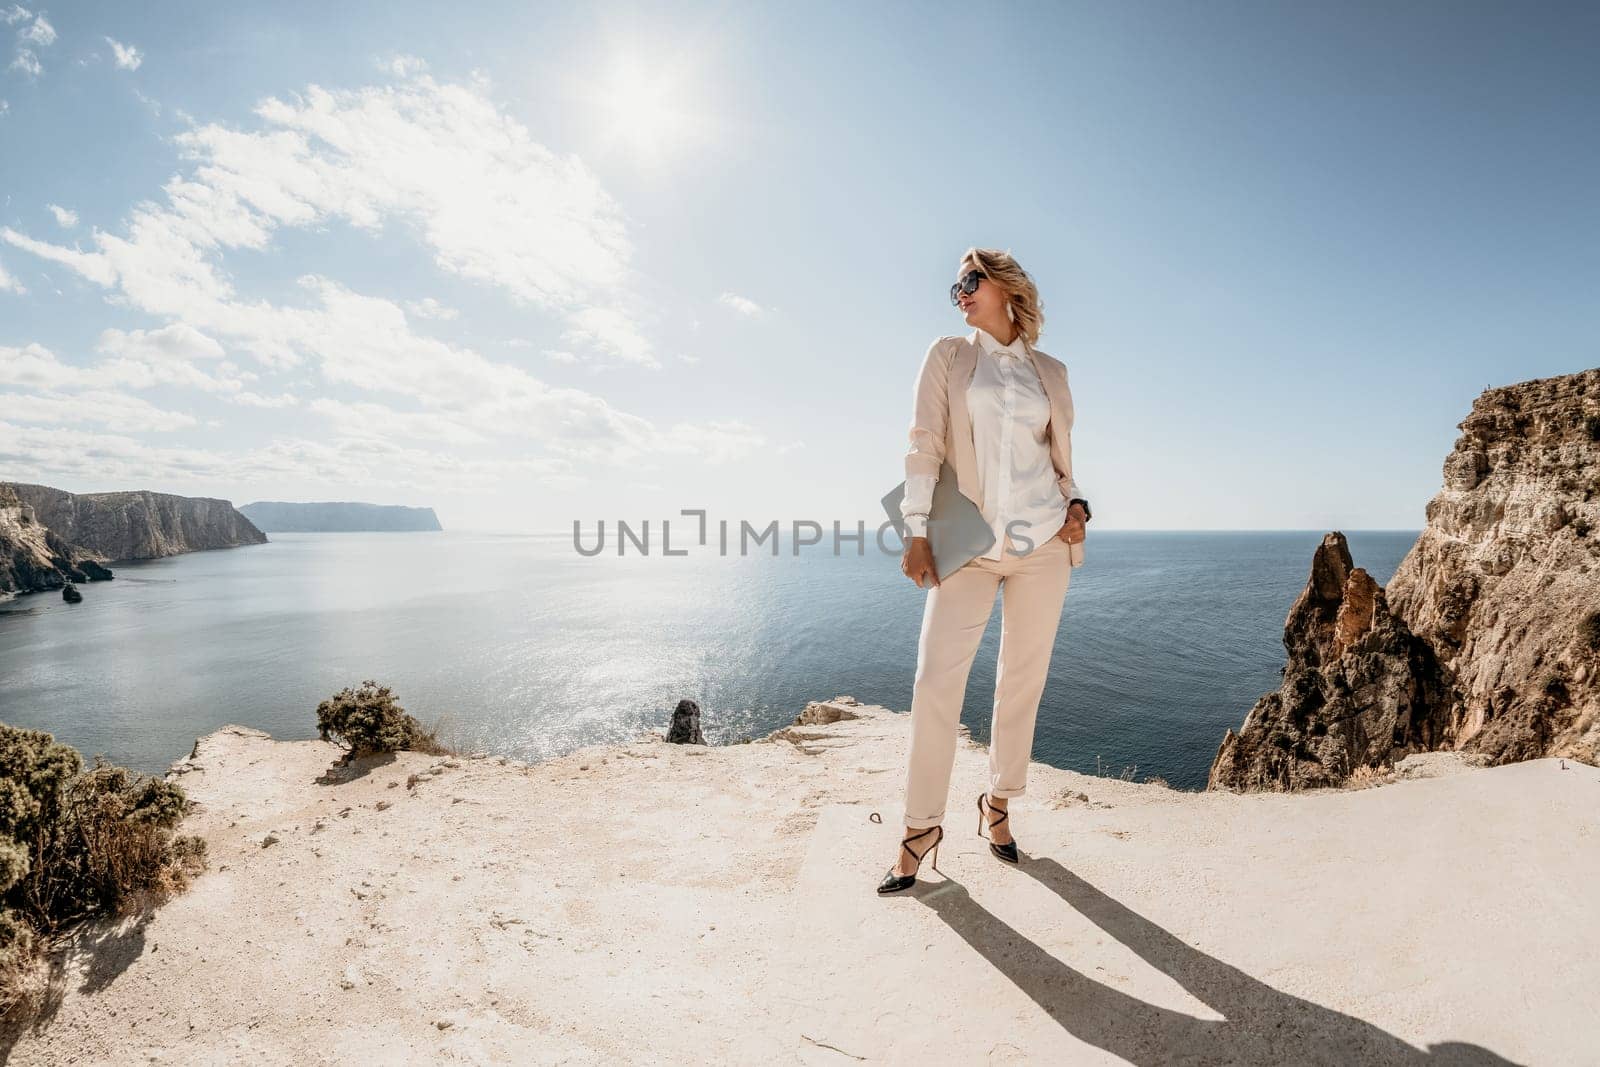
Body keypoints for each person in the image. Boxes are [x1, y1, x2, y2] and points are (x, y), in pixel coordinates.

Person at [877, 247, 1091, 894]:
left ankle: (997, 803)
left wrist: (1077, 503)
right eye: (957, 285)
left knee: (1021, 680)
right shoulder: (948, 355)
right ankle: (919, 830)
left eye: (971, 281)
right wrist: (915, 530)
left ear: (1005, 286)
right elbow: (925, 443)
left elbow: (1059, 459)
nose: (961, 293)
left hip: (1045, 542)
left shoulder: (1050, 371)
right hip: (968, 543)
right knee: (934, 678)